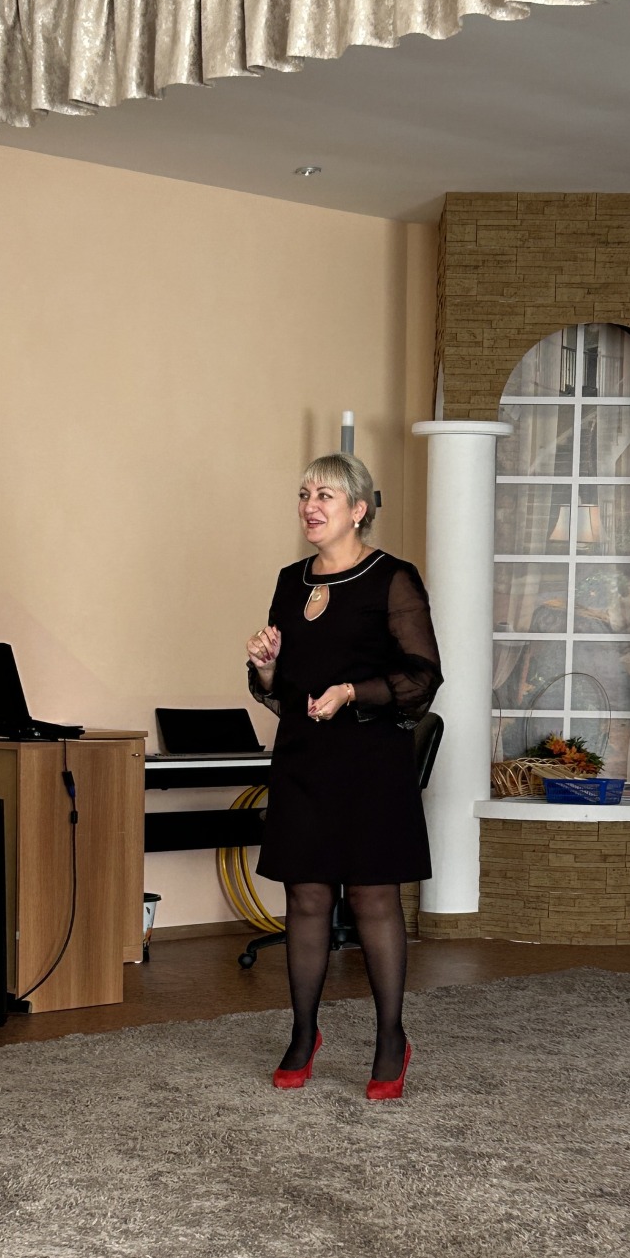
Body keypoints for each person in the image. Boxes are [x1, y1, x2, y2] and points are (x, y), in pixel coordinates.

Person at [247, 453, 441, 1100]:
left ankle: (391, 1039)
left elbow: (423, 676)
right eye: (305, 494)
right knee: (305, 897)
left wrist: (354, 692)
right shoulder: (290, 582)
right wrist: (267, 667)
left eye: (325, 495)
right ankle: (304, 1034)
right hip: (304, 759)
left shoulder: (393, 578)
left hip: (370, 762)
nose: (311, 505)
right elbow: (282, 691)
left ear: (358, 509)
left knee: (371, 898)